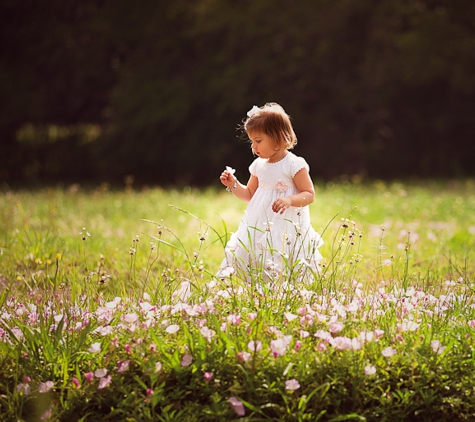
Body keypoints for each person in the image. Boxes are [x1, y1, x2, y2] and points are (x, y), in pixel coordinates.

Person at [218, 102, 323, 282]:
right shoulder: (258, 166)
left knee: (282, 254)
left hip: (286, 224)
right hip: (261, 221)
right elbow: (249, 194)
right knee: (259, 252)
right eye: (252, 141)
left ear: (279, 138)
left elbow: (309, 194)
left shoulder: (293, 164)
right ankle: (261, 288)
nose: (253, 146)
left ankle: (285, 290)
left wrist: (290, 199)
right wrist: (233, 184)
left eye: (258, 141)